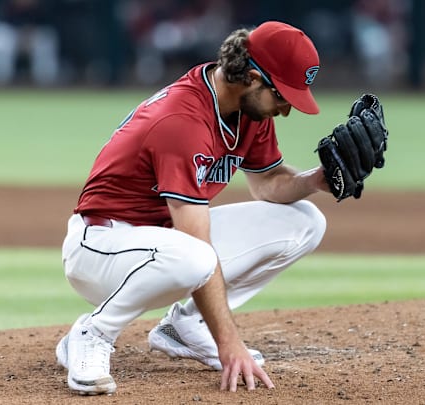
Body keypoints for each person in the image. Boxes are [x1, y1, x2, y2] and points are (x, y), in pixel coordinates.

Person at [55, 21, 330, 395]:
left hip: (162, 240)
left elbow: (267, 184)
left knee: (305, 221)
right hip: (101, 247)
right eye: (282, 95)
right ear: (251, 77)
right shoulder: (182, 120)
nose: (285, 109)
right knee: (197, 258)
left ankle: (186, 327)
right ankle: (92, 333)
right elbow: (196, 243)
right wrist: (229, 343)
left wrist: (316, 179)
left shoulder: (248, 111)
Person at [0, 0, 60, 86]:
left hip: (33, 35)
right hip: (8, 33)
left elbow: (48, 23)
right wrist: (20, 33)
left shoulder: (43, 6)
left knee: (46, 41)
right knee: (1, 42)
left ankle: (46, 86)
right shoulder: (3, 5)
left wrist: (28, 32)